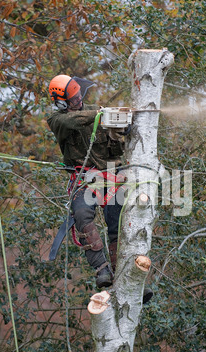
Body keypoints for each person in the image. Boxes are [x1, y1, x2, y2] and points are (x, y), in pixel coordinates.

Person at [47, 74, 153, 303]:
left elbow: (118, 138)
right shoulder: (57, 119)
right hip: (84, 178)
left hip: (112, 176)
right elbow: (72, 121)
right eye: (72, 100)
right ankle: (102, 269)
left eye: (78, 97)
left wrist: (121, 126)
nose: (78, 101)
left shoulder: (98, 111)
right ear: (61, 102)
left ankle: (129, 276)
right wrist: (102, 115)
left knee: (119, 221)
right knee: (82, 214)